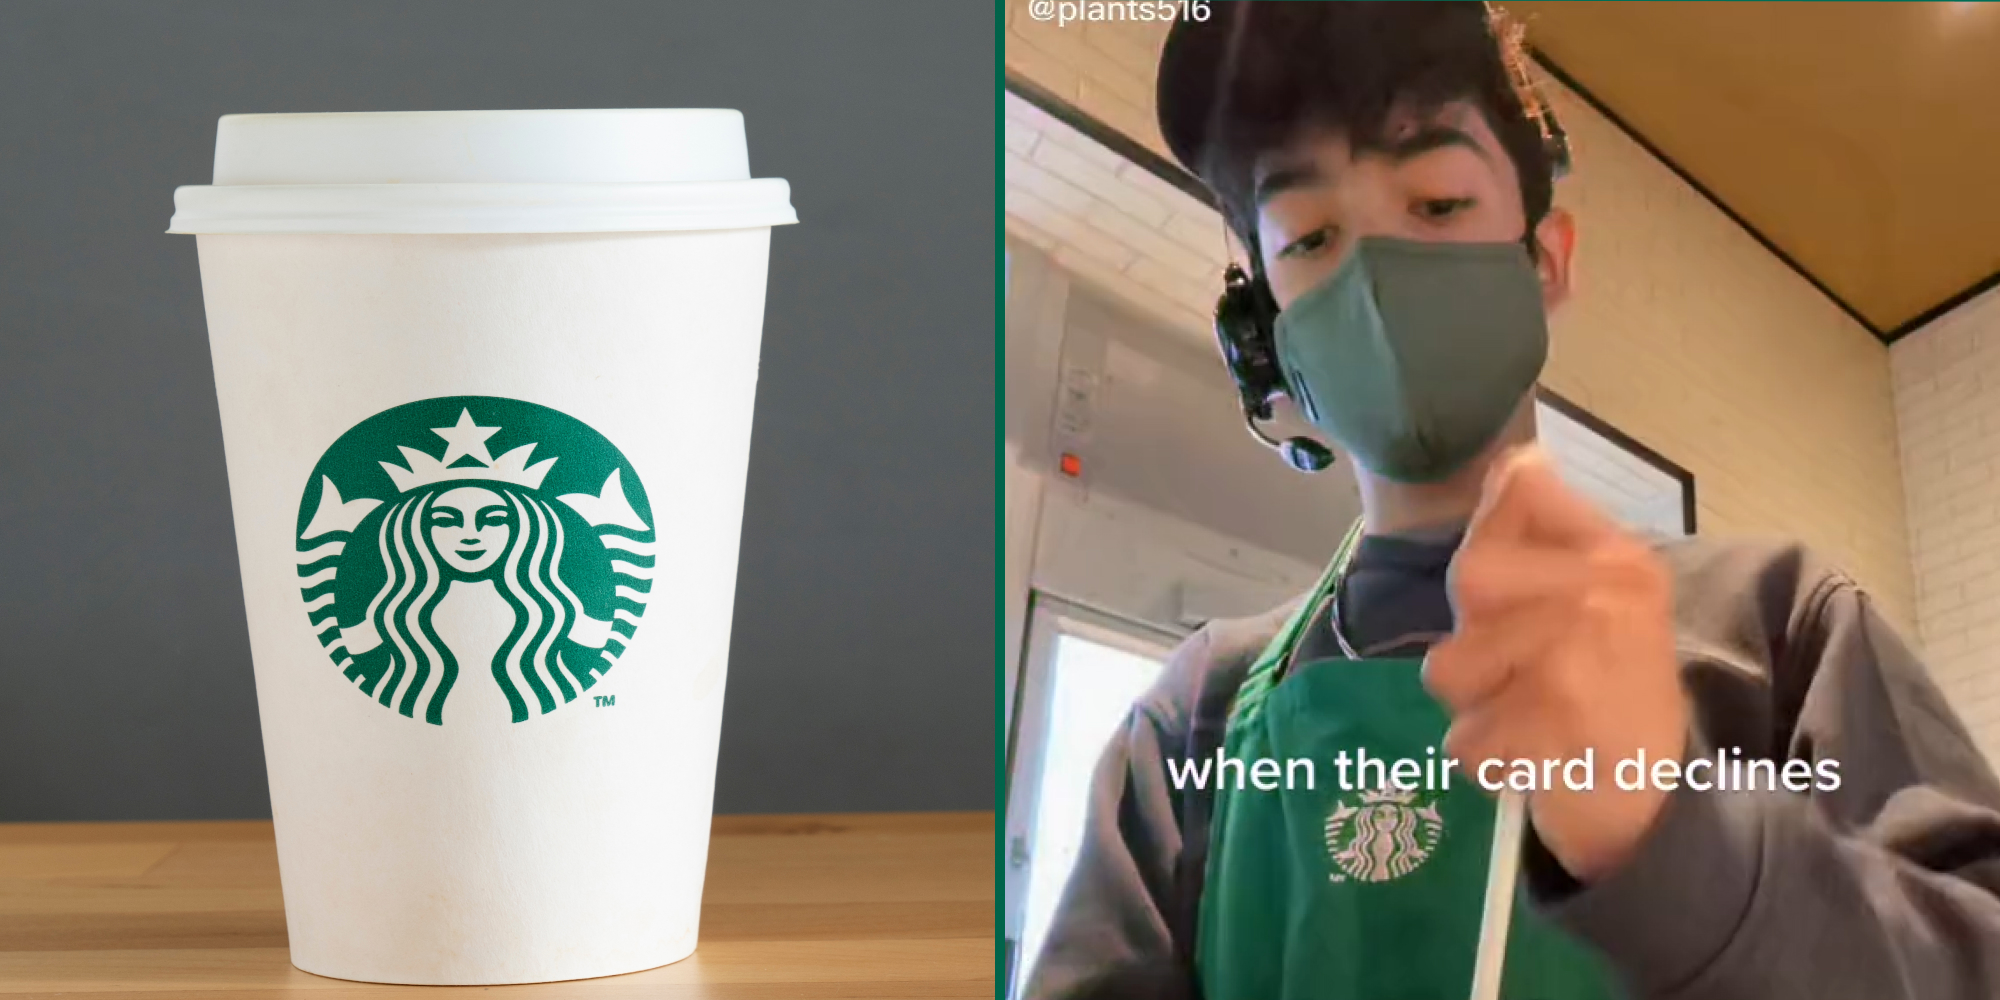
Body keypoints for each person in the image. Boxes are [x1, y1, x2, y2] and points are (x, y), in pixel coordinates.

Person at [1021, 3, 2000, 998]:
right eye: (1310, 236)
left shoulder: (1775, 626)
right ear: (1267, 336)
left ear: (1544, 262)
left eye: (1437, 204)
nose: (1372, 284)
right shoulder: (1195, 722)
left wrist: (1682, 842)